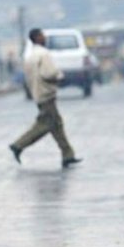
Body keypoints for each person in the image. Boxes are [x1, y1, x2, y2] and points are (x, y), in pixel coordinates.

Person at [9, 28, 81, 168]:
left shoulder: (30, 56)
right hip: (47, 94)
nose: (45, 37)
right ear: (37, 37)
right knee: (46, 125)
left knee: (57, 125)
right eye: (42, 35)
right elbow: (50, 73)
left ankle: (68, 154)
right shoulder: (44, 54)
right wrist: (60, 76)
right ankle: (18, 145)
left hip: (38, 94)